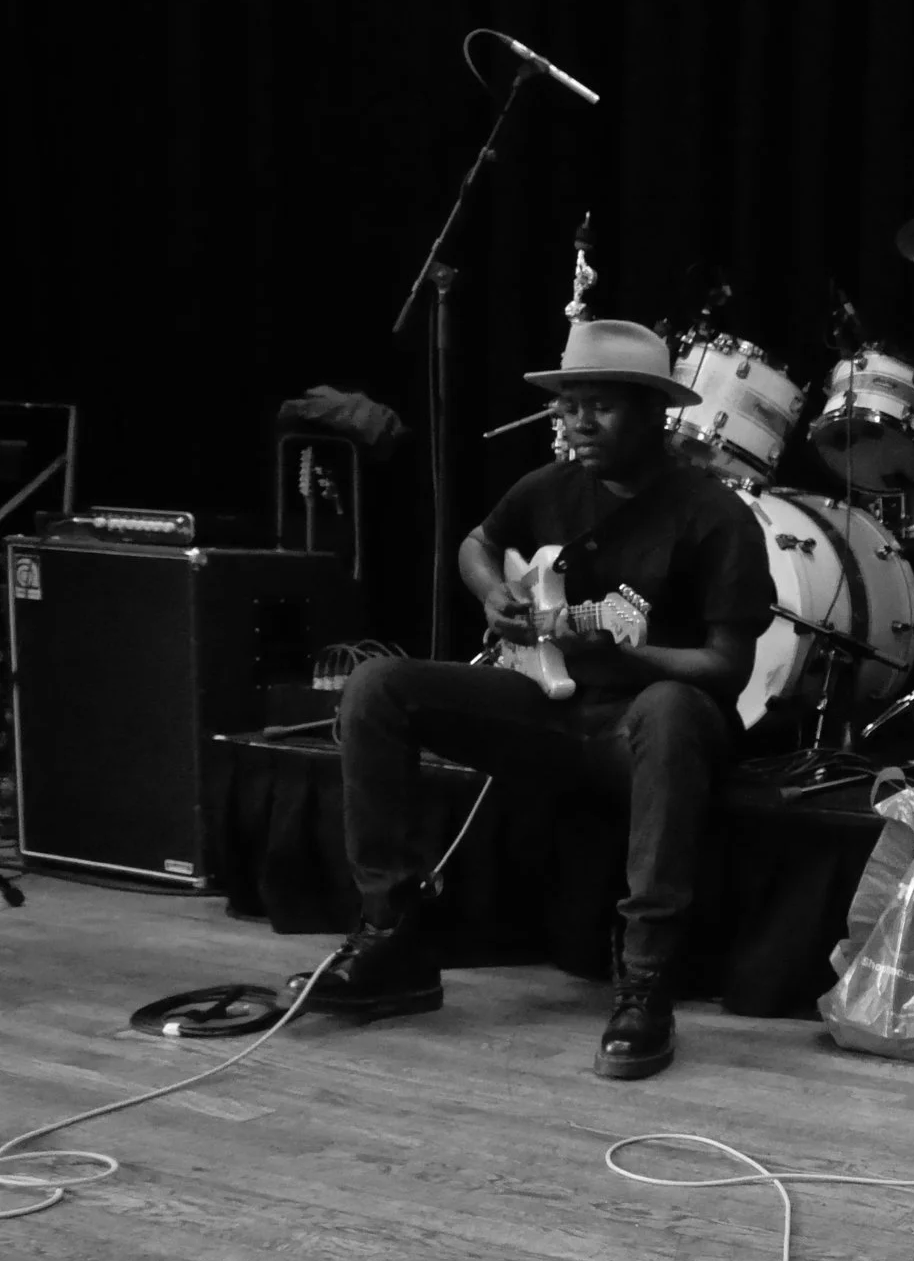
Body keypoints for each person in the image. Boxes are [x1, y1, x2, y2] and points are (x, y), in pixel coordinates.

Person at [288, 319, 773, 1082]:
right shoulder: (547, 489)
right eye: (569, 405)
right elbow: (476, 545)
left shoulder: (715, 515)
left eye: (602, 406)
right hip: (551, 709)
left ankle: (646, 977)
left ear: (655, 413)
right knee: (378, 685)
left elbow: (725, 666)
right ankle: (395, 938)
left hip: (645, 730)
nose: (578, 422)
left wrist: (629, 653)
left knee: (673, 707)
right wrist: (491, 595)